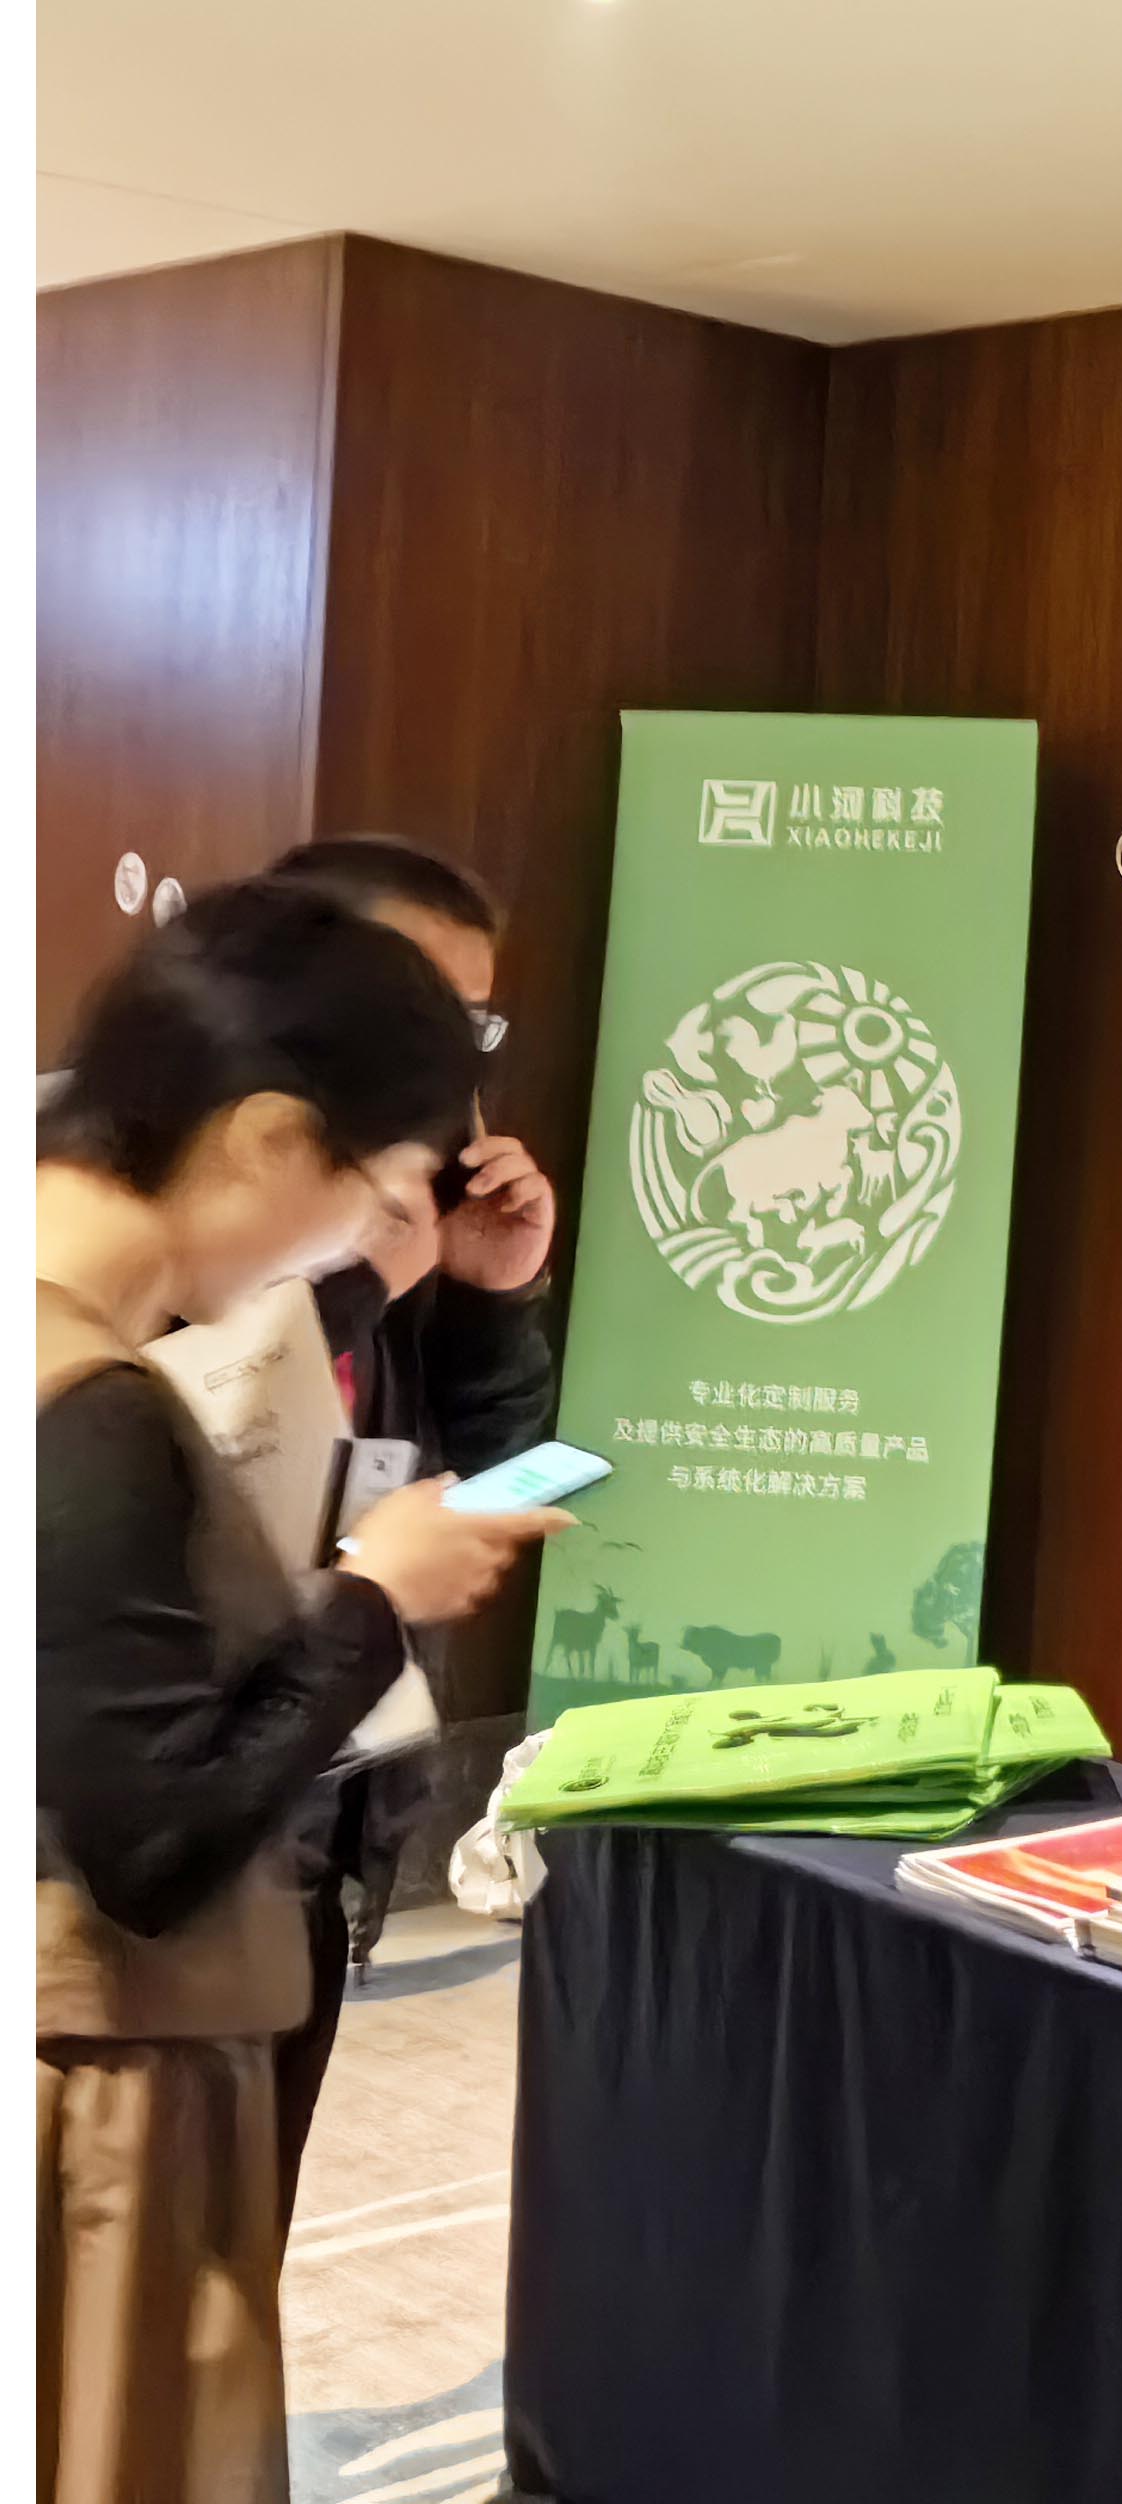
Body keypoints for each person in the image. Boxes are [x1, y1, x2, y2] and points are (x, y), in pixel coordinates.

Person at [38, 881, 569, 2504]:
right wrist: (373, 1596)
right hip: (96, 2078)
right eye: (365, 1184)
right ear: (271, 1136)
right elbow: (154, 1837)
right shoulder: (92, 1401)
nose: (368, 1231)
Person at [262, 835, 560, 2200]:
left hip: (329, 1824)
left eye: (473, 1023)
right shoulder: (140, 1218)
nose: (452, 1064)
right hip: (158, 1862)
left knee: (231, 2261)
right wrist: (352, 1292)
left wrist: (494, 1299)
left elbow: (489, 1501)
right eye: (419, 1010)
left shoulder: (397, 1222)